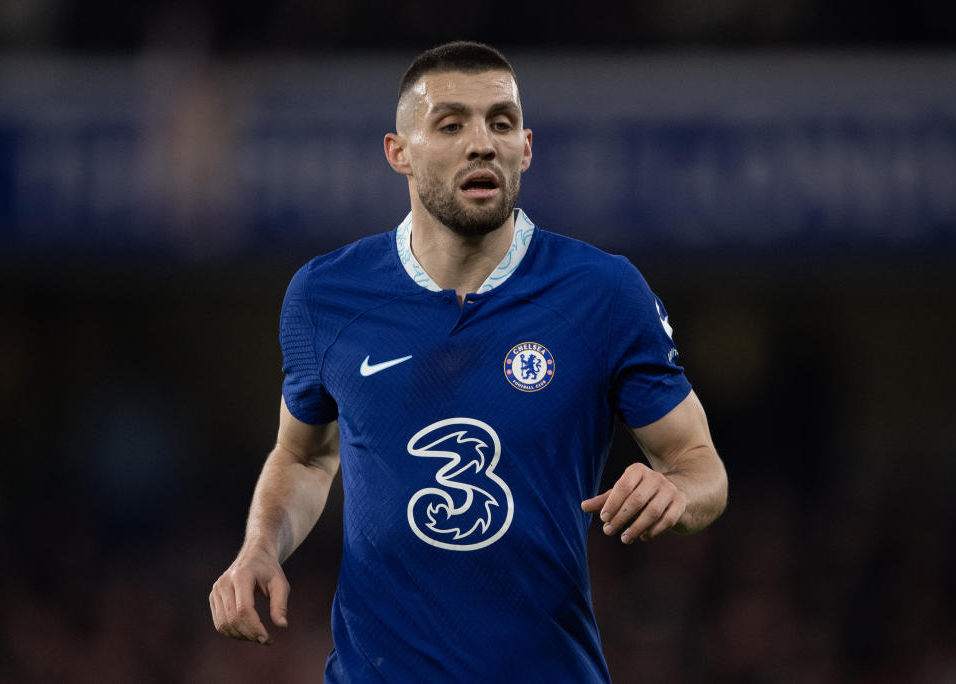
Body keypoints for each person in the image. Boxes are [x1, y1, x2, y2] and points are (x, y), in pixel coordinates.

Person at [210, 41, 728, 682]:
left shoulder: (603, 293)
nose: (481, 143)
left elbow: (702, 467)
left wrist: (675, 490)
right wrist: (260, 546)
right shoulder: (325, 296)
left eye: (500, 123)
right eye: (451, 124)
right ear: (399, 152)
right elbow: (306, 455)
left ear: (526, 148)